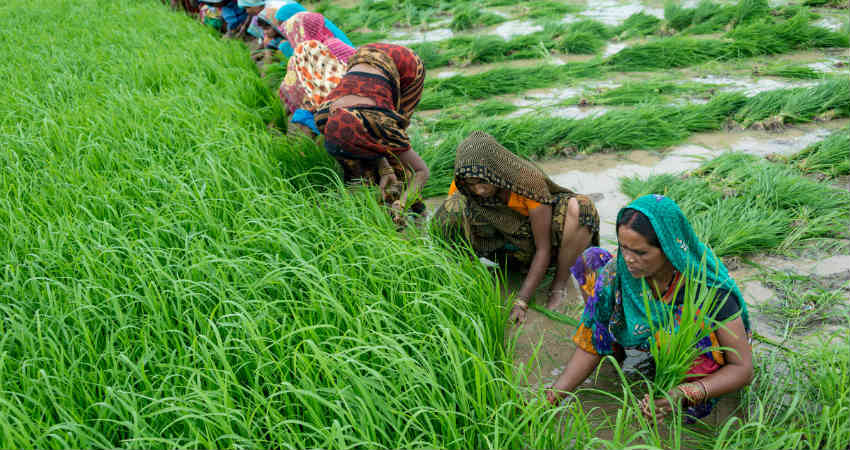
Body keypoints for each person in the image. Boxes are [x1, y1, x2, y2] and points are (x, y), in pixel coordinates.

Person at [546, 194, 753, 422]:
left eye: (640, 252)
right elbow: (592, 340)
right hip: (653, 334)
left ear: (668, 248)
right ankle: (618, 350)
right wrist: (553, 397)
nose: (629, 259)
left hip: (702, 344)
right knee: (592, 263)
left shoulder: (708, 290)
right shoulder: (621, 272)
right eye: (623, 247)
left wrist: (682, 394)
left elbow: (742, 369)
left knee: (682, 411)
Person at [433, 131, 599, 317]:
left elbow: (542, 248)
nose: (478, 190)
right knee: (451, 208)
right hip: (502, 250)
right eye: (472, 184)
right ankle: (468, 270)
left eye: (483, 182)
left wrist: (522, 301)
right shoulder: (463, 185)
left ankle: (558, 285)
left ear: (496, 170)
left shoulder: (528, 182)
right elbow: (449, 228)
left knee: (581, 207)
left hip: (540, 249)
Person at [312, 43, 429, 220]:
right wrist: (383, 168)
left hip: (406, 63)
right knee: (369, 151)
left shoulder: (384, 125)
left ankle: (413, 206)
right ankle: (385, 184)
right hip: (363, 56)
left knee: (395, 150)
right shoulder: (323, 118)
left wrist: (402, 202)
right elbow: (365, 139)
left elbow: (422, 172)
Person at [278, 12, 356, 137]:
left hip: (342, 100)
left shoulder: (325, 48)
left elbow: (290, 87)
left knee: (304, 115)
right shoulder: (332, 44)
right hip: (345, 97)